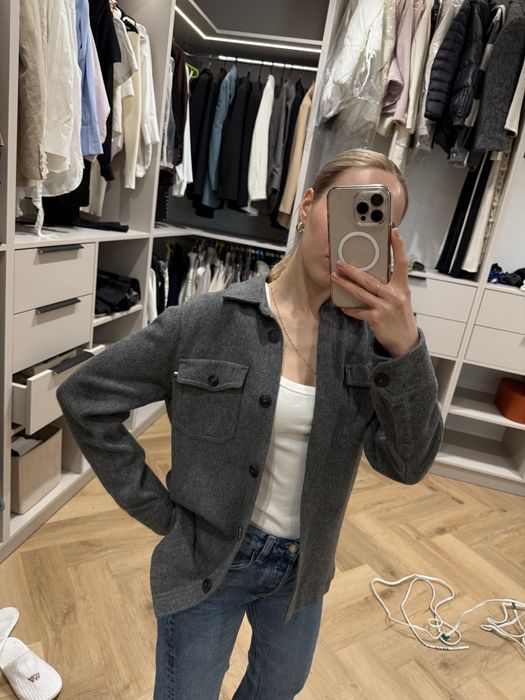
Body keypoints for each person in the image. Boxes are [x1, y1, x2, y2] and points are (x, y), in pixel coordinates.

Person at [57, 148, 443, 699]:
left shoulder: (371, 347)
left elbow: (408, 464)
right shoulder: (208, 321)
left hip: (304, 571)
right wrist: (161, 512)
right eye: (347, 207)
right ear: (306, 205)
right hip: (209, 560)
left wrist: (405, 349)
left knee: (277, 689)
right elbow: (86, 396)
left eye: (377, 219)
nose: (352, 232)